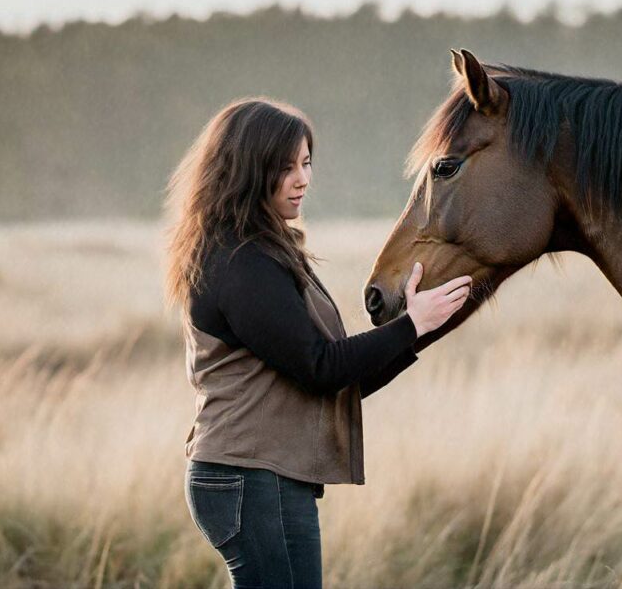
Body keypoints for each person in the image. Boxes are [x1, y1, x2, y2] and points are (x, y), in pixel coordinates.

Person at [162, 97, 471, 588]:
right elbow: (320, 366)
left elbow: (337, 378)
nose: (302, 179)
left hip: (259, 475)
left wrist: (418, 330)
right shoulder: (243, 263)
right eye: (285, 168)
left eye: (306, 163)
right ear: (247, 171)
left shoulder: (260, 251)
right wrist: (409, 325)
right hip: (249, 476)